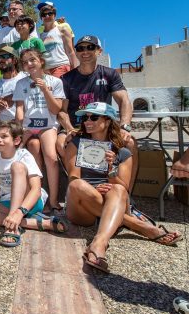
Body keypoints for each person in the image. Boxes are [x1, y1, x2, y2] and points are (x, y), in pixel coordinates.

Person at [65, 102, 182, 273]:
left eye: (94, 117)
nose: (87, 121)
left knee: (118, 190)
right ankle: (137, 225)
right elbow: (73, 177)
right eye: (85, 117)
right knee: (77, 185)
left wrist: (111, 170)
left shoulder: (123, 153)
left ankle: (99, 243)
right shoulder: (76, 144)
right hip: (82, 205)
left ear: (108, 121)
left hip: (112, 200)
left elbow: (124, 187)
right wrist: (94, 190)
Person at [57, 35, 138, 189]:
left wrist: (124, 127)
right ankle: (79, 187)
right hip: (76, 125)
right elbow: (62, 111)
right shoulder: (66, 78)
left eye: (90, 47)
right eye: (80, 48)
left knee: (129, 143)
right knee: (61, 143)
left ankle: (127, 193)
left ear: (99, 51)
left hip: (102, 125)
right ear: (76, 52)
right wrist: (69, 129)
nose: (85, 51)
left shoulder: (109, 74)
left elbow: (125, 101)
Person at [0, 120, 67, 247]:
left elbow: (36, 190)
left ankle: (12, 229)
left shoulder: (24, 155)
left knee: (17, 167)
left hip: (29, 202)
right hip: (8, 201)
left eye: (4, 136)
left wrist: (20, 211)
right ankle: (34, 223)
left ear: (16, 140)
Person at [13, 49, 65, 212]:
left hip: (48, 126)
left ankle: (54, 200)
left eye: (32, 59)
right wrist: (20, 128)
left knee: (51, 157)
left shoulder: (55, 81)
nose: (29, 64)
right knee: (24, 153)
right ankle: (37, 197)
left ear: (41, 61)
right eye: (25, 62)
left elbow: (56, 109)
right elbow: (20, 108)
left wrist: (45, 90)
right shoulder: (21, 83)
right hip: (29, 126)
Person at [0, 47, 24, 129]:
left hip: (25, 125)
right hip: (4, 127)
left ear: (15, 60)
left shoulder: (26, 78)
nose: (1, 60)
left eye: (5, 56)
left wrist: (13, 97)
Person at [38, 3, 77, 77]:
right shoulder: (40, 35)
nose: (47, 16)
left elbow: (70, 51)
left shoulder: (63, 29)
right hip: (46, 71)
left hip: (60, 66)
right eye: (43, 14)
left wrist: (75, 71)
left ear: (54, 15)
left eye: (50, 13)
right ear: (41, 18)